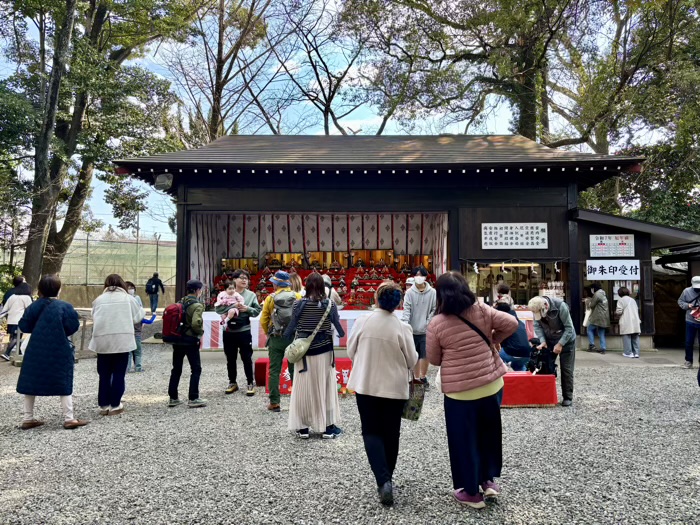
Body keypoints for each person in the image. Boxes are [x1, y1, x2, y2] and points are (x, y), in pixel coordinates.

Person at [426, 271, 518, 509]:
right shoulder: (482, 309)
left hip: (460, 392)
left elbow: (434, 359)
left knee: (463, 440)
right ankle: (488, 481)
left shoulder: (436, 323)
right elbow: (512, 323)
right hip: (490, 385)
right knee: (488, 434)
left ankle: (470, 492)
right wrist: (493, 339)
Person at [347, 282, 417, 506]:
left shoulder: (362, 321)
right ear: (398, 303)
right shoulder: (402, 327)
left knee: (370, 430)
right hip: (394, 387)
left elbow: (351, 350)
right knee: (391, 432)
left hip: (366, 383)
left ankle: (382, 479)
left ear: (376, 298)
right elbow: (412, 360)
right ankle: (387, 478)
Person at [16, 274, 88, 430]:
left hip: (35, 348)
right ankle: (69, 418)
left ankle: (28, 418)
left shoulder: (33, 306)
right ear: (58, 289)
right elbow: (72, 326)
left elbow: (25, 326)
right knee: (64, 381)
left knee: (30, 380)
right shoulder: (65, 306)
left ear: (40, 289)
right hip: (59, 348)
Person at [284, 273, 345, 439]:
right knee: (325, 387)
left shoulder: (298, 305)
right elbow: (339, 329)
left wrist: (286, 339)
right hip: (324, 351)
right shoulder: (329, 304)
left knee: (303, 388)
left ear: (307, 285)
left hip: (304, 353)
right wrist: (338, 330)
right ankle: (327, 427)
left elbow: (291, 327)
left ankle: (303, 428)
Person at [90, 274, 145, 415]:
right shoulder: (129, 299)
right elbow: (138, 316)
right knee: (119, 373)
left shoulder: (98, 300)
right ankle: (115, 404)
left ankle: (104, 404)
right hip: (122, 340)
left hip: (102, 342)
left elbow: (93, 316)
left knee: (104, 374)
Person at [260, 271, 301, 412]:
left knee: (274, 371)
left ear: (275, 284)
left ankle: (275, 402)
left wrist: (268, 333)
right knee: (294, 369)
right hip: (293, 338)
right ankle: (297, 402)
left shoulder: (270, 298)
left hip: (276, 338)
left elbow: (264, 320)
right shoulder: (297, 296)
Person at [527, 295, 577, 406]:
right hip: (549, 340)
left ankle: (567, 397)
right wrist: (542, 341)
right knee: (544, 366)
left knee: (566, 369)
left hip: (567, 340)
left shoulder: (561, 306)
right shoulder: (536, 307)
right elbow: (537, 326)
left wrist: (560, 344)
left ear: (546, 306)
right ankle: (545, 395)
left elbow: (569, 328)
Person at [221, 270, 261, 396]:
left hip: (243, 330)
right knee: (230, 358)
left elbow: (257, 311)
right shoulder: (225, 293)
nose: (244, 280)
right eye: (241, 278)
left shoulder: (251, 295)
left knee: (246, 357)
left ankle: (250, 382)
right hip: (228, 331)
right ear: (234, 280)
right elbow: (218, 308)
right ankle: (232, 382)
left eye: (246, 278)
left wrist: (247, 309)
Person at [168, 279, 207, 408]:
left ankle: (173, 397)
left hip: (177, 339)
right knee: (196, 369)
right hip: (190, 341)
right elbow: (196, 323)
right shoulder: (197, 305)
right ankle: (193, 397)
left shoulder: (180, 302)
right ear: (197, 290)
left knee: (176, 369)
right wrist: (199, 333)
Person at [401, 266, 436, 386]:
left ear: (426, 277)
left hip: (427, 330)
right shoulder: (409, 293)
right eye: (416, 275)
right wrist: (405, 326)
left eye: (421, 275)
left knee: (425, 355)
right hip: (412, 329)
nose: (419, 277)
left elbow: (434, 309)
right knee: (415, 355)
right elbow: (406, 310)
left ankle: (423, 376)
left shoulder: (432, 292)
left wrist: (428, 322)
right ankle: (415, 378)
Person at [493, 303, 531, 371]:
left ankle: (501, 376)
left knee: (494, 358)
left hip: (511, 352)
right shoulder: (520, 322)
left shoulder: (504, 322)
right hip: (527, 353)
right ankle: (524, 378)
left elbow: (495, 340)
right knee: (519, 367)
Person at [1, 281, 33, 361]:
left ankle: (18, 352)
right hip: (19, 320)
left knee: (13, 336)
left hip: (11, 320)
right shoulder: (26, 298)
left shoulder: (12, 296)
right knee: (16, 337)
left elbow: (5, 309)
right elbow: (30, 309)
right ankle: (7, 353)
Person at [678, 275, 700, 369]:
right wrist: (688, 305)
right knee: (688, 342)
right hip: (690, 319)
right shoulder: (686, 291)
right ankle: (688, 361)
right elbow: (680, 301)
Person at [125, 281, 145, 372]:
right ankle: (127, 368)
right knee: (128, 350)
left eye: (132, 288)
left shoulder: (137, 298)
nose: (131, 290)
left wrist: (143, 321)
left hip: (136, 326)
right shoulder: (124, 299)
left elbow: (141, 309)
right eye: (129, 288)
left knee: (137, 348)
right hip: (128, 327)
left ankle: (138, 367)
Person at [616, 287, 641, 359]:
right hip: (635, 320)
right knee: (635, 337)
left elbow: (619, 311)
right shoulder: (633, 300)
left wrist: (617, 313)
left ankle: (628, 352)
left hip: (626, 320)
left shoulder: (621, 300)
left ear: (620, 293)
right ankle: (636, 353)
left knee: (626, 337)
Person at [586, 283, 610, 354]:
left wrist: (588, 301)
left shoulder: (597, 294)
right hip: (604, 317)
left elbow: (592, 305)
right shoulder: (603, 294)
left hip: (598, 316)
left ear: (593, 289)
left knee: (589, 329)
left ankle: (591, 345)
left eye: (591, 289)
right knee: (601, 333)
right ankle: (603, 348)